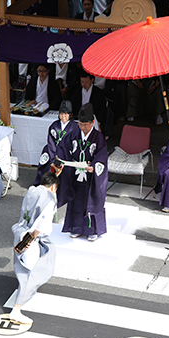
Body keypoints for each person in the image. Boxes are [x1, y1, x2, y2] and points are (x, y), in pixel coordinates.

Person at [10, 172, 60, 324]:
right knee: (32, 273)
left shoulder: (32, 190)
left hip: (21, 230)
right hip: (33, 237)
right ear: (53, 187)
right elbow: (42, 221)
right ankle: (16, 309)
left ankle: (24, 292)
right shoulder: (49, 199)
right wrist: (32, 237)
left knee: (23, 267)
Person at [62, 103, 108, 241]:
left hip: (91, 177)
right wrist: (62, 161)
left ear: (92, 122)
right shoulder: (73, 134)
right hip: (76, 174)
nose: (83, 128)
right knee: (76, 200)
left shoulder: (98, 137)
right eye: (80, 124)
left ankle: (92, 230)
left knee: (91, 201)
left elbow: (102, 156)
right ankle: (75, 228)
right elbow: (63, 148)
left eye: (86, 125)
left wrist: (94, 167)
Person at [35, 100, 80, 207]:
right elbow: (50, 142)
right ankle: (43, 189)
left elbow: (75, 144)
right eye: (61, 113)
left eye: (66, 113)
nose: (63, 116)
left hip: (67, 155)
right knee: (45, 164)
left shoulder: (75, 127)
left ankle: (62, 195)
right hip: (53, 152)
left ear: (70, 115)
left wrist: (65, 155)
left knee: (65, 171)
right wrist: (53, 156)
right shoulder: (54, 125)